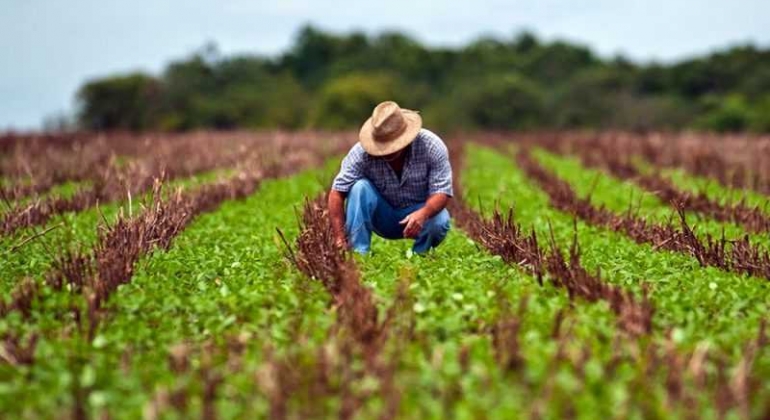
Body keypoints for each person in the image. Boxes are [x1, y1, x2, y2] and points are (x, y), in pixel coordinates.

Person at [328, 101, 453, 254]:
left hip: (419, 213)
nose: (388, 151)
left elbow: (442, 192)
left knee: (439, 220)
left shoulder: (432, 146)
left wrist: (423, 213)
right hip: (382, 216)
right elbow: (337, 192)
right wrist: (339, 238)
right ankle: (358, 254)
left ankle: (420, 256)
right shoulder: (361, 153)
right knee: (359, 188)